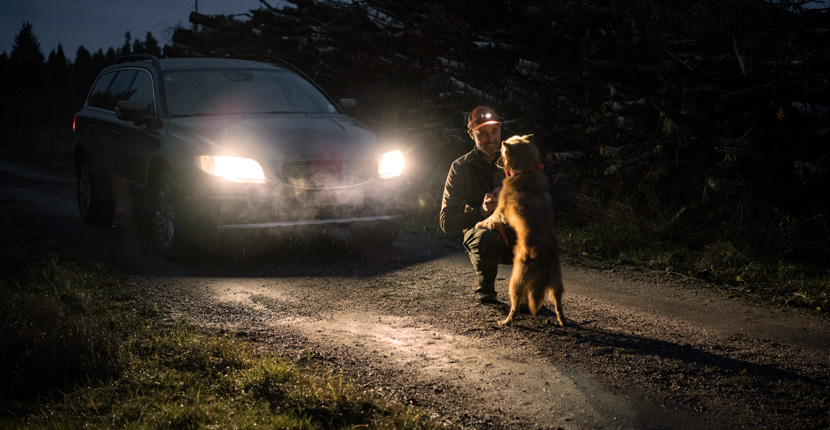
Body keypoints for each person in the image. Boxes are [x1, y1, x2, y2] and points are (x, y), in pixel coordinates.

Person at [439, 106, 515, 304]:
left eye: (494, 132)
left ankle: (524, 290)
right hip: (480, 230)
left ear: (500, 129)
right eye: (483, 134)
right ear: (471, 135)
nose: (491, 139)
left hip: (513, 225)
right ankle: (486, 287)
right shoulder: (460, 167)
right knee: (486, 237)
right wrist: (481, 212)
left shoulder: (514, 161)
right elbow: (446, 222)